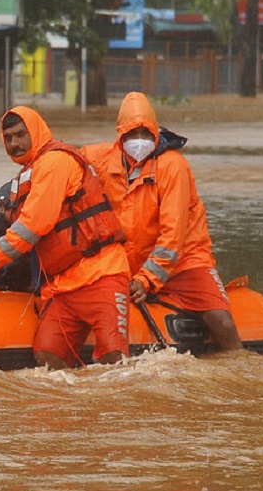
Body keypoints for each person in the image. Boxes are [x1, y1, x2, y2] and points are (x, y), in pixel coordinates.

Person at [0, 106, 131, 369]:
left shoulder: (55, 162)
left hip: (101, 274)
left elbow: (33, 225)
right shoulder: (26, 176)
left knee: (115, 359)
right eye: (8, 138)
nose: (14, 143)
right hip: (61, 286)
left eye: (20, 134)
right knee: (47, 359)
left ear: (37, 131)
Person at [82, 92, 243, 352]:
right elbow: (62, 166)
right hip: (126, 261)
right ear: (120, 134)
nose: (139, 141)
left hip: (185, 262)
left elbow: (173, 236)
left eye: (146, 134)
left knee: (223, 324)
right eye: (132, 134)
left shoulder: (172, 167)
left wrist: (146, 280)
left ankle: (239, 364)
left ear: (156, 133)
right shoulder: (99, 159)